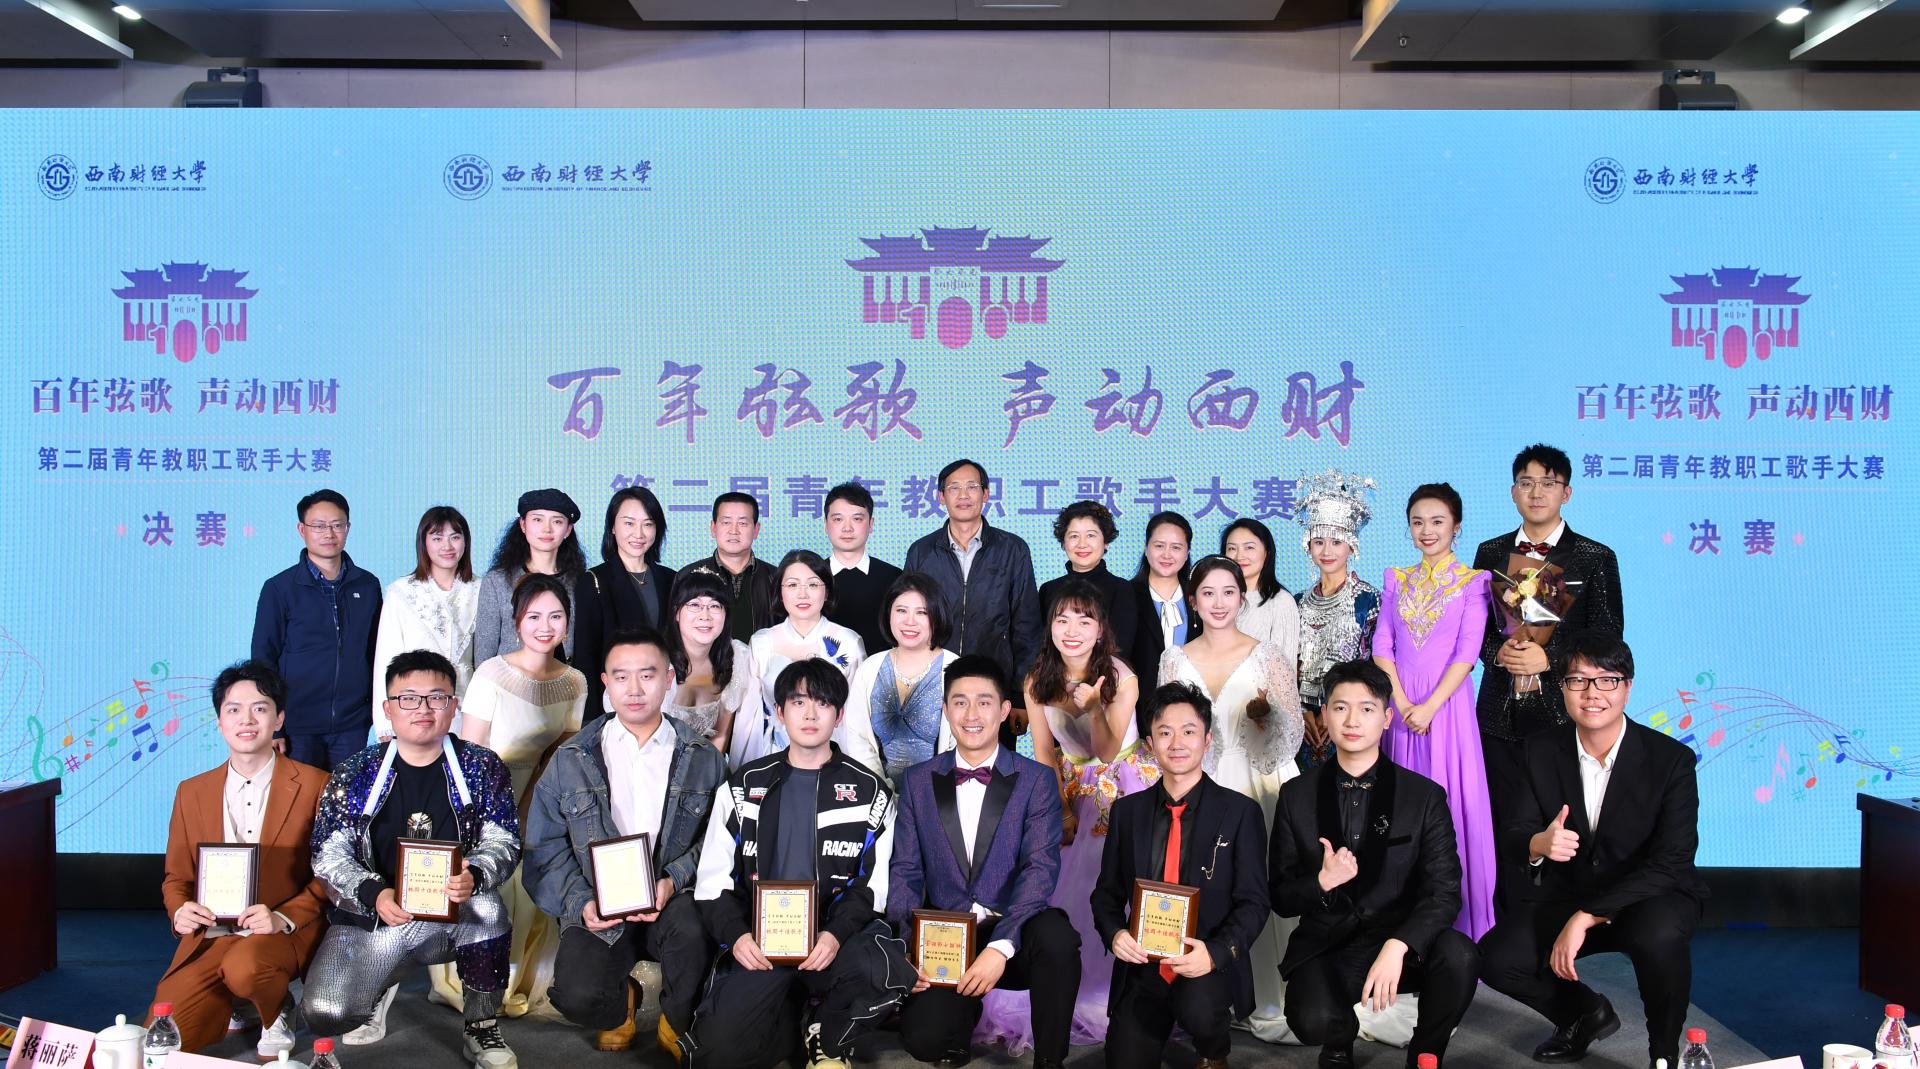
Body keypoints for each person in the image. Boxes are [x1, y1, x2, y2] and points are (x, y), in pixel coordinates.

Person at [1479, 637, 1707, 1069]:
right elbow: (1512, 833)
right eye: (1578, 680)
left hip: (1648, 896)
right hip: (1570, 891)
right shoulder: (1539, 750)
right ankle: (1583, 1014)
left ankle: (1663, 1054)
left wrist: (1586, 916)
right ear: (1562, 687)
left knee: (1659, 936)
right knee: (1497, 958)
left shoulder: (1671, 760)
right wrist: (1538, 843)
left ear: (1628, 687)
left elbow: (1671, 862)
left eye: (1607, 680)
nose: (1592, 693)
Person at [686, 659, 911, 1069]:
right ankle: (795, 1016)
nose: (810, 714)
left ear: (839, 716)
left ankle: (828, 1034)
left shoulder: (870, 792)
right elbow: (713, 881)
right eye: (798, 702)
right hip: (761, 942)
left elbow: (873, 887)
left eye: (823, 704)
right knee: (718, 1053)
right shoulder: (743, 786)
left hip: (834, 941)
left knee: (880, 966)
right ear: (779, 711)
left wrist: (834, 935)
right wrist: (738, 936)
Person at [303, 650, 522, 1069]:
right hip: (376, 916)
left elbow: (504, 839)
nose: (423, 708)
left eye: (436, 697)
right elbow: (328, 852)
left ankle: (481, 1026)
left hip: (451, 914)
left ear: (453, 706)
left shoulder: (481, 766)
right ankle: (381, 981)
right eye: (408, 698)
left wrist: (475, 874)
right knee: (327, 1013)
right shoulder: (356, 771)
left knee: (488, 907)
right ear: (388, 709)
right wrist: (373, 893)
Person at [523, 627, 728, 1057]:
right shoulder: (572, 757)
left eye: (647, 675)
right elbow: (544, 848)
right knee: (577, 997)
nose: (634, 689)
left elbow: (720, 839)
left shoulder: (703, 758)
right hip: (600, 905)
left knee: (695, 934)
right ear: (605, 683)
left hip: (672, 901)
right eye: (621, 676)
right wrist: (581, 901)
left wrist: (673, 880)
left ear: (669, 679)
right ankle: (622, 1004)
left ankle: (677, 1017)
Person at [1271, 660, 1481, 1069]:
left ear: (1386, 718)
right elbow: (1280, 896)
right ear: (1324, 714)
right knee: (1311, 1020)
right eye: (1340, 707)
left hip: (1401, 942)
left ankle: (1425, 1054)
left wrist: (1400, 944)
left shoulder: (1423, 796)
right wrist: (1321, 882)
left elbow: (1445, 893)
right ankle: (1338, 1040)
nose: (1352, 720)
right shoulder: (1295, 795)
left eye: (1366, 709)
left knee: (1459, 955)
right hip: (1330, 944)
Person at [977, 579, 1155, 1050]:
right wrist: (1058, 809)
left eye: (1084, 620)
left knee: (1117, 883)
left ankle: (1114, 990)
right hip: (1069, 784)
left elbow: (1108, 750)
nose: (1072, 630)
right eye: (1062, 619)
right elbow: (1041, 752)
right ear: (1050, 627)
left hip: (1124, 785)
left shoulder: (1122, 676)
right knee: (1060, 888)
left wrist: (1094, 708)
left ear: (1101, 629)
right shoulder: (1038, 678)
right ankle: (1062, 989)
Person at [891, 655, 1078, 1069]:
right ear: (945, 709)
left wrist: (1000, 945)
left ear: (1005, 710)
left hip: (1016, 931)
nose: (971, 715)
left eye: (984, 702)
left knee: (1058, 940)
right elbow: (906, 870)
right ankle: (957, 1029)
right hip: (946, 936)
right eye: (960, 702)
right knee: (925, 1040)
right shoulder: (918, 780)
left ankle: (1051, 1061)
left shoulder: (1036, 780)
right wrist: (907, 943)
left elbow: (1040, 869)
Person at [1156, 555, 1303, 1042]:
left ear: (1242, 598)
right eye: (1207, 593)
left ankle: (1270, 995)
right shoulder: (1173, 659)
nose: (1218, 603)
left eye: (1228, 592)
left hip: (1260, 784)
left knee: (1259, 885)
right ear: (1193, 601)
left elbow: (1292, 736)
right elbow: (1167, 730)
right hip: (1197, 786)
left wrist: (1267, 718)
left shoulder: (1268, 655)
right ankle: (1207, 993)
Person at [151, 661, 330, 1059]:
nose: (246, 720)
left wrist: (283, 917)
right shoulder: (191, 791)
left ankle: (275, 1006)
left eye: (260, 708)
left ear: (279, 719)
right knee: (162, 1045)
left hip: (280, 931)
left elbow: (330, 874)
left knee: (246, 968)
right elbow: (177, 877)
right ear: (219, 721)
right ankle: (243, 1000)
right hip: (212, 934)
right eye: (233, 709)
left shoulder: (316, 784)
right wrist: (179, 910)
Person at [1091, 681, 1269, 1069]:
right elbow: (1105, 894)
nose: (1177, 743)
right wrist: (1115, 934)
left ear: (1207, 740)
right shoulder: (1127, 813)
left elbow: (1255, 902)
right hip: (1144, 965)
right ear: (1150, 744)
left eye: (1188, 732)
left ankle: (1214, 1049)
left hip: (1205, 959)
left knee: (1200, 1011)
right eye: (1164, 732)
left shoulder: (1240, 813)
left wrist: (1216, 953)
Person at [456, 574, 588, 1017]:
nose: (545, 627)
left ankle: (524, 975)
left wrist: (532, 805)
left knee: (537, 876)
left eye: (555, 616)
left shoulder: (575, 681)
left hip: (541, 794)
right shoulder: (491, 673)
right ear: (516, 622)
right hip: (486, 797)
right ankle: (482, 976)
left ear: (567, 623)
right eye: (534, 617)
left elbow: (561, 752)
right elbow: (471, 757)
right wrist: (497, 816)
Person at [1472, 444, 1626, 825]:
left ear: (1566, 493)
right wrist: (1498, 653)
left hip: (1563, 715)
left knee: (1564, 822)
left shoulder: (1594, 557)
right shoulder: (1489, 552)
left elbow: (1608, 637)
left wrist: (1550, 657)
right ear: (1513, 492)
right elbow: (1473, 627)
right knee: (1500, 823)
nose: (1536, 493)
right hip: (1497, 715)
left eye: (1548, 483)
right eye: (1526, 483)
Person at [1372, 483, 1496, 940]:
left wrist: (1429, 706)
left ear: (1456, 526)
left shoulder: (1473, 582)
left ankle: (1458, 929)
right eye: (1418, 522)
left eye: (1437, 521)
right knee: (1399, 809)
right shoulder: (1397, 579)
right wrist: (1403, 702)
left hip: (1447, 708)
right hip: (1400, 706)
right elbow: (1382, 644)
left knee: (1451, 803)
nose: (1427, 530)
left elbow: (1467, 653)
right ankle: (1401, 927)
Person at [904, 459, 1042, 745]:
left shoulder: (1012, 550)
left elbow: (1026, 626)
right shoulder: (921, 552)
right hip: (933, 688)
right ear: (941, 497)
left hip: (994, 686)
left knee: (995, 768)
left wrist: (1019, 697)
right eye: (954, 488)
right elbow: (907, 623)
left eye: (971, 487)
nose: (963, 495)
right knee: (936, 767)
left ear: (986, 493)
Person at [252, 488, 382, 770]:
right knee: (301, 797)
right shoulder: (279, 588)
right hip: (297, 725)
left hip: (352, 724)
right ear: (302, 530)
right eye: (319, 526)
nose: (329, 534)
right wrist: (273, 725)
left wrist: (373, 712)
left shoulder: (367, 585)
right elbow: (263, 660)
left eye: (337, 525)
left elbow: (376, 652)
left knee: (349, 797)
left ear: (348, 528)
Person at [1292, 470, 1381, 771]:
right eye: (1318, 542)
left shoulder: (1369, 600)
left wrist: (1340, 712)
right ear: (1308, 546)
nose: (1326, 551)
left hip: (1352, 721)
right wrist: (1300, 713)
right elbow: (1289, 667)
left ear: (1351, 545)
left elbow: (1374, 667)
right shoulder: (1296, 603)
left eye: (1336, 542)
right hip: (1304, 727)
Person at [743, 550, 868, 763]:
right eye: (792, 585)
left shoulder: (849, 642)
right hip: (774, 754)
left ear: (826, 592)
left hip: (834, 755)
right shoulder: (761, 642)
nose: (803, 594)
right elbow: (749, 718)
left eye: (813, 584)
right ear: (780, 592)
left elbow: (858, 716)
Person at [837, 572, 959, 784]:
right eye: (901, 610)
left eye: (922, 612)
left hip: (941, 791)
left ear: (937, 616)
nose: (909, 621)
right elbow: (857, 737)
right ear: (889, 614)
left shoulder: (955, 669)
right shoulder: (870, 668)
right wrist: (879, 791)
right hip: (876, 792)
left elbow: (962, 742)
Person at [373, 506, 481, 742]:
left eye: (455, 537)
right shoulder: (401, 592)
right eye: (437, 538)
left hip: (469, 708)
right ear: (423, 543)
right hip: (416, 708)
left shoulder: (480, 589)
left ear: (466, 542)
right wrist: (386, 726)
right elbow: (386, 659)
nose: (447, 546)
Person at [574, 486, 679, 721]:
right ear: (613, 526)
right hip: (613, 704)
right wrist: (592, 721)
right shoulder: (593, 581)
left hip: (665, 700)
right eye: (629, 523)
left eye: (648, 524)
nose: (639, 534)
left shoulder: (671, 579)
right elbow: (586, 658)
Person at [474, 489, 586, 664]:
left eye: (557, 521)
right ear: (523, 525)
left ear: (568, 530)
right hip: (507, 678)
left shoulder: (581, 582)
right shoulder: (497, 581)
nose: (547, 529)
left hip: (564, 677)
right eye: (537, 519)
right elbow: (484, 653)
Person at [662, 570, 763, 761]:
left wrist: (707, 775)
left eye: (715, 606)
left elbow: (721, 735)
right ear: (676, 613)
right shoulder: (656, 660)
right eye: (694, 605)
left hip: (707, 769)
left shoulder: (736, 658)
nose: (705, 616)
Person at [1037, 500, 1139, 659]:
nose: (1082, 544)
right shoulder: (1048, 590)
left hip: (1106, 673)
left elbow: (1121, 649)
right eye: (1074, 536)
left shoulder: (1121, 589)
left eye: (1091, 535)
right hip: (1053, 673)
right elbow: (1042, 645)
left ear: (1106, 542)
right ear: (1063, 543)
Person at [678, 492, 777, 646]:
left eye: (743, 523)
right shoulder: (688, 576)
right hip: (704, 661)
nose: (734, 530)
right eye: (726, 522)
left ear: (756, 530)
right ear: (713, 528)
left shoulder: (776, 578)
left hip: (765, 661)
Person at [822, 482, 903, 656]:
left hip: (882, 670)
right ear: (826, 525)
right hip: (822, 671)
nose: (847, 528)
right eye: (838, 519)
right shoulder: (813, 578)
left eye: (857, 519)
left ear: (871, 524)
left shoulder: (894, 577)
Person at [1128, 511, 1193, 695]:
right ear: (1146, 549)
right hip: (1139, 703)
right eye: (1159, 546)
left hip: (1192, 702)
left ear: (1187, 553)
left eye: (1176, 547)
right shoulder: (1126, 595)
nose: (1167, 554)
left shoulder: (1199, 596)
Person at [1221, 518, 1299, 668]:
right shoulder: (1216, 599)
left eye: (1249, 547)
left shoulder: (1281, 601)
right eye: (1232, 548)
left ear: (1267, 553)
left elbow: (1286, 667)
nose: (1239, 556)